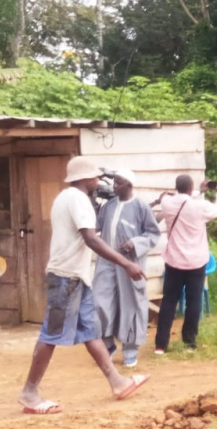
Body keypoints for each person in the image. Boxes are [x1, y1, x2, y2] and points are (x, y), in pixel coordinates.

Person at [17, 156, 149, 415]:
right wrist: (127, 264)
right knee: (51, 334)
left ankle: (117, 382)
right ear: (85, 179)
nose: (98, 181)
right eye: (95, 177)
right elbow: (91, 239)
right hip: (67, 277)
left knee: (89, 332)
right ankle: (29, 393)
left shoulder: (66, 198)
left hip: (77, 278)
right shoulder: (78, 200)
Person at [93, 169, 161, 368]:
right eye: (114, 182)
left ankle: (130, 351)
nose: (115, 186)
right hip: (106, 263)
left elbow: (152, 234)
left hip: (130, 264)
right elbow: (96, 228)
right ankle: (107, 344)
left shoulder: (140, 206)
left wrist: (135, 242)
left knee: (130, 306)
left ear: (130, 185)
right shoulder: (109, 206)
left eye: (119, 183)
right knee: (99, 303)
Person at [154, 175, 217, 353]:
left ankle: (161, 345)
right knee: (194, 301)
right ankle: (189, 342)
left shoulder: (167, 203)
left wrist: (199, 191)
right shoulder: (200, 207)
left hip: (174, 260)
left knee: (169, 301)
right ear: (191, 186)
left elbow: (180, 200)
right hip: (196, 261)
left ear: (176, 187)